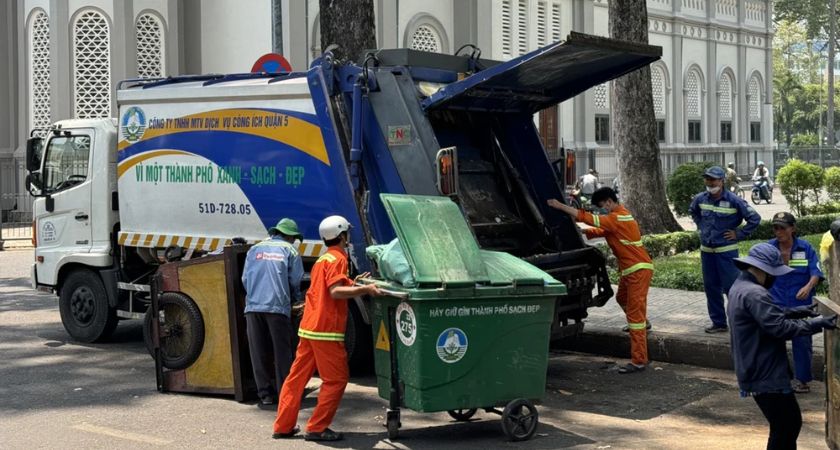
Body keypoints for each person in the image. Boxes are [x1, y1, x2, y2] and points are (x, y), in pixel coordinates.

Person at [273, 215, 382, 441]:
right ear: (342, 236)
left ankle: (283, 426)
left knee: (296, 380)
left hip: (308, 328)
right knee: (336, 380)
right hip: (325, 331)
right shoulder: (338, 259)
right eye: (347, 233)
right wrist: (367, 289)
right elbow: (334, 292)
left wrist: (354, 282)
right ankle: (317, 427)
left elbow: (327, 287)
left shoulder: (323, 259)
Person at [727, 243, 836, 450]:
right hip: (764, 372)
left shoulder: (741, 287)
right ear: (760, 269)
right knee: (787, 425)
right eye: (773, 273)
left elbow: (766, 315)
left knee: (784, 425)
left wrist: (798, 311)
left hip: (754, 367)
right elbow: (779, 328)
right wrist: (817, 323)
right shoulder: (755, 293)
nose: (775, 278)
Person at [548, 187, 653, 374]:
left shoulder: (616, 218)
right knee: (622, 299)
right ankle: (643, 324)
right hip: (633, 270)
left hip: (637, 271)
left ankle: (639, 360)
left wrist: (560, 206)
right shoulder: (620, 216)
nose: (601, 210)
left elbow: (588, 218)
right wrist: (578, 229)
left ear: (608, 202)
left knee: (634, 317)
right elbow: (599, 229)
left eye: (601, 206)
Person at [241, 218, 304, 406]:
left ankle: (265, 394)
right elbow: (294, 280)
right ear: (290, 236)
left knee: (258, 351)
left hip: (253, 306)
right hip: (277, 307)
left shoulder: (254, 249)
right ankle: (286, 393)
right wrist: (295, 300)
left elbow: (245, 278)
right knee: (282, 351)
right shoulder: (290, 250)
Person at [690, 166, 761, 333]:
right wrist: (702, 227)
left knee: (732, 289)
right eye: (707, 179)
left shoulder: (734, 200)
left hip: (726, 253)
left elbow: (755, 218)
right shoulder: (700, 199)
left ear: (722, 181)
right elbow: (693, 211)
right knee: (711, 288)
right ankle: (719, 323)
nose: (710, 182)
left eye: (713, 179)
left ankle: (740, 323)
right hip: (707, 253)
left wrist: (739, 234)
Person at [767, 212, 824, 394]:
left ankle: (802, 380)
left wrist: (808, 286)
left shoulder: (805, 248)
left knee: (801, 341)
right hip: (776, 301)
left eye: (782, 227)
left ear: (792, 228)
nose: (779, 231)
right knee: (774, 341)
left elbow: (816, 272)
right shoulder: (769, 248)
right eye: (775, 227)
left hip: (800, 302)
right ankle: (779, 378)